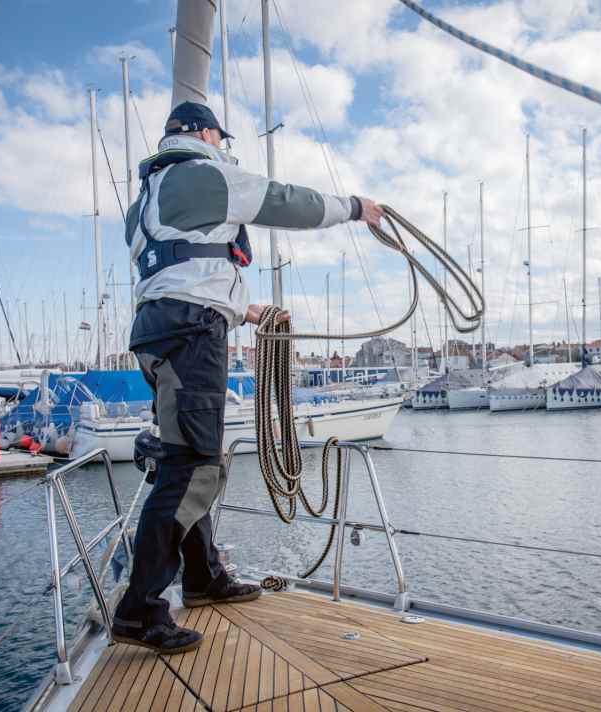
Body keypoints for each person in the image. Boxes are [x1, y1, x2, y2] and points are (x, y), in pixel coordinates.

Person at [112, 101, 382, 654]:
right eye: (220, 135)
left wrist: (245, 309)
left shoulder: (145, 199)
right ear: (205, 132)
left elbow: (185, 264)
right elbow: (286, 202)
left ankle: (203, 577)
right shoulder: (204, 172)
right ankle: (140, 610)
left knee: (189, 457)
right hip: (191, 332)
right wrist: (357, 208)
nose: (224, 143)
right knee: (193, 465)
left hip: (161, 328)